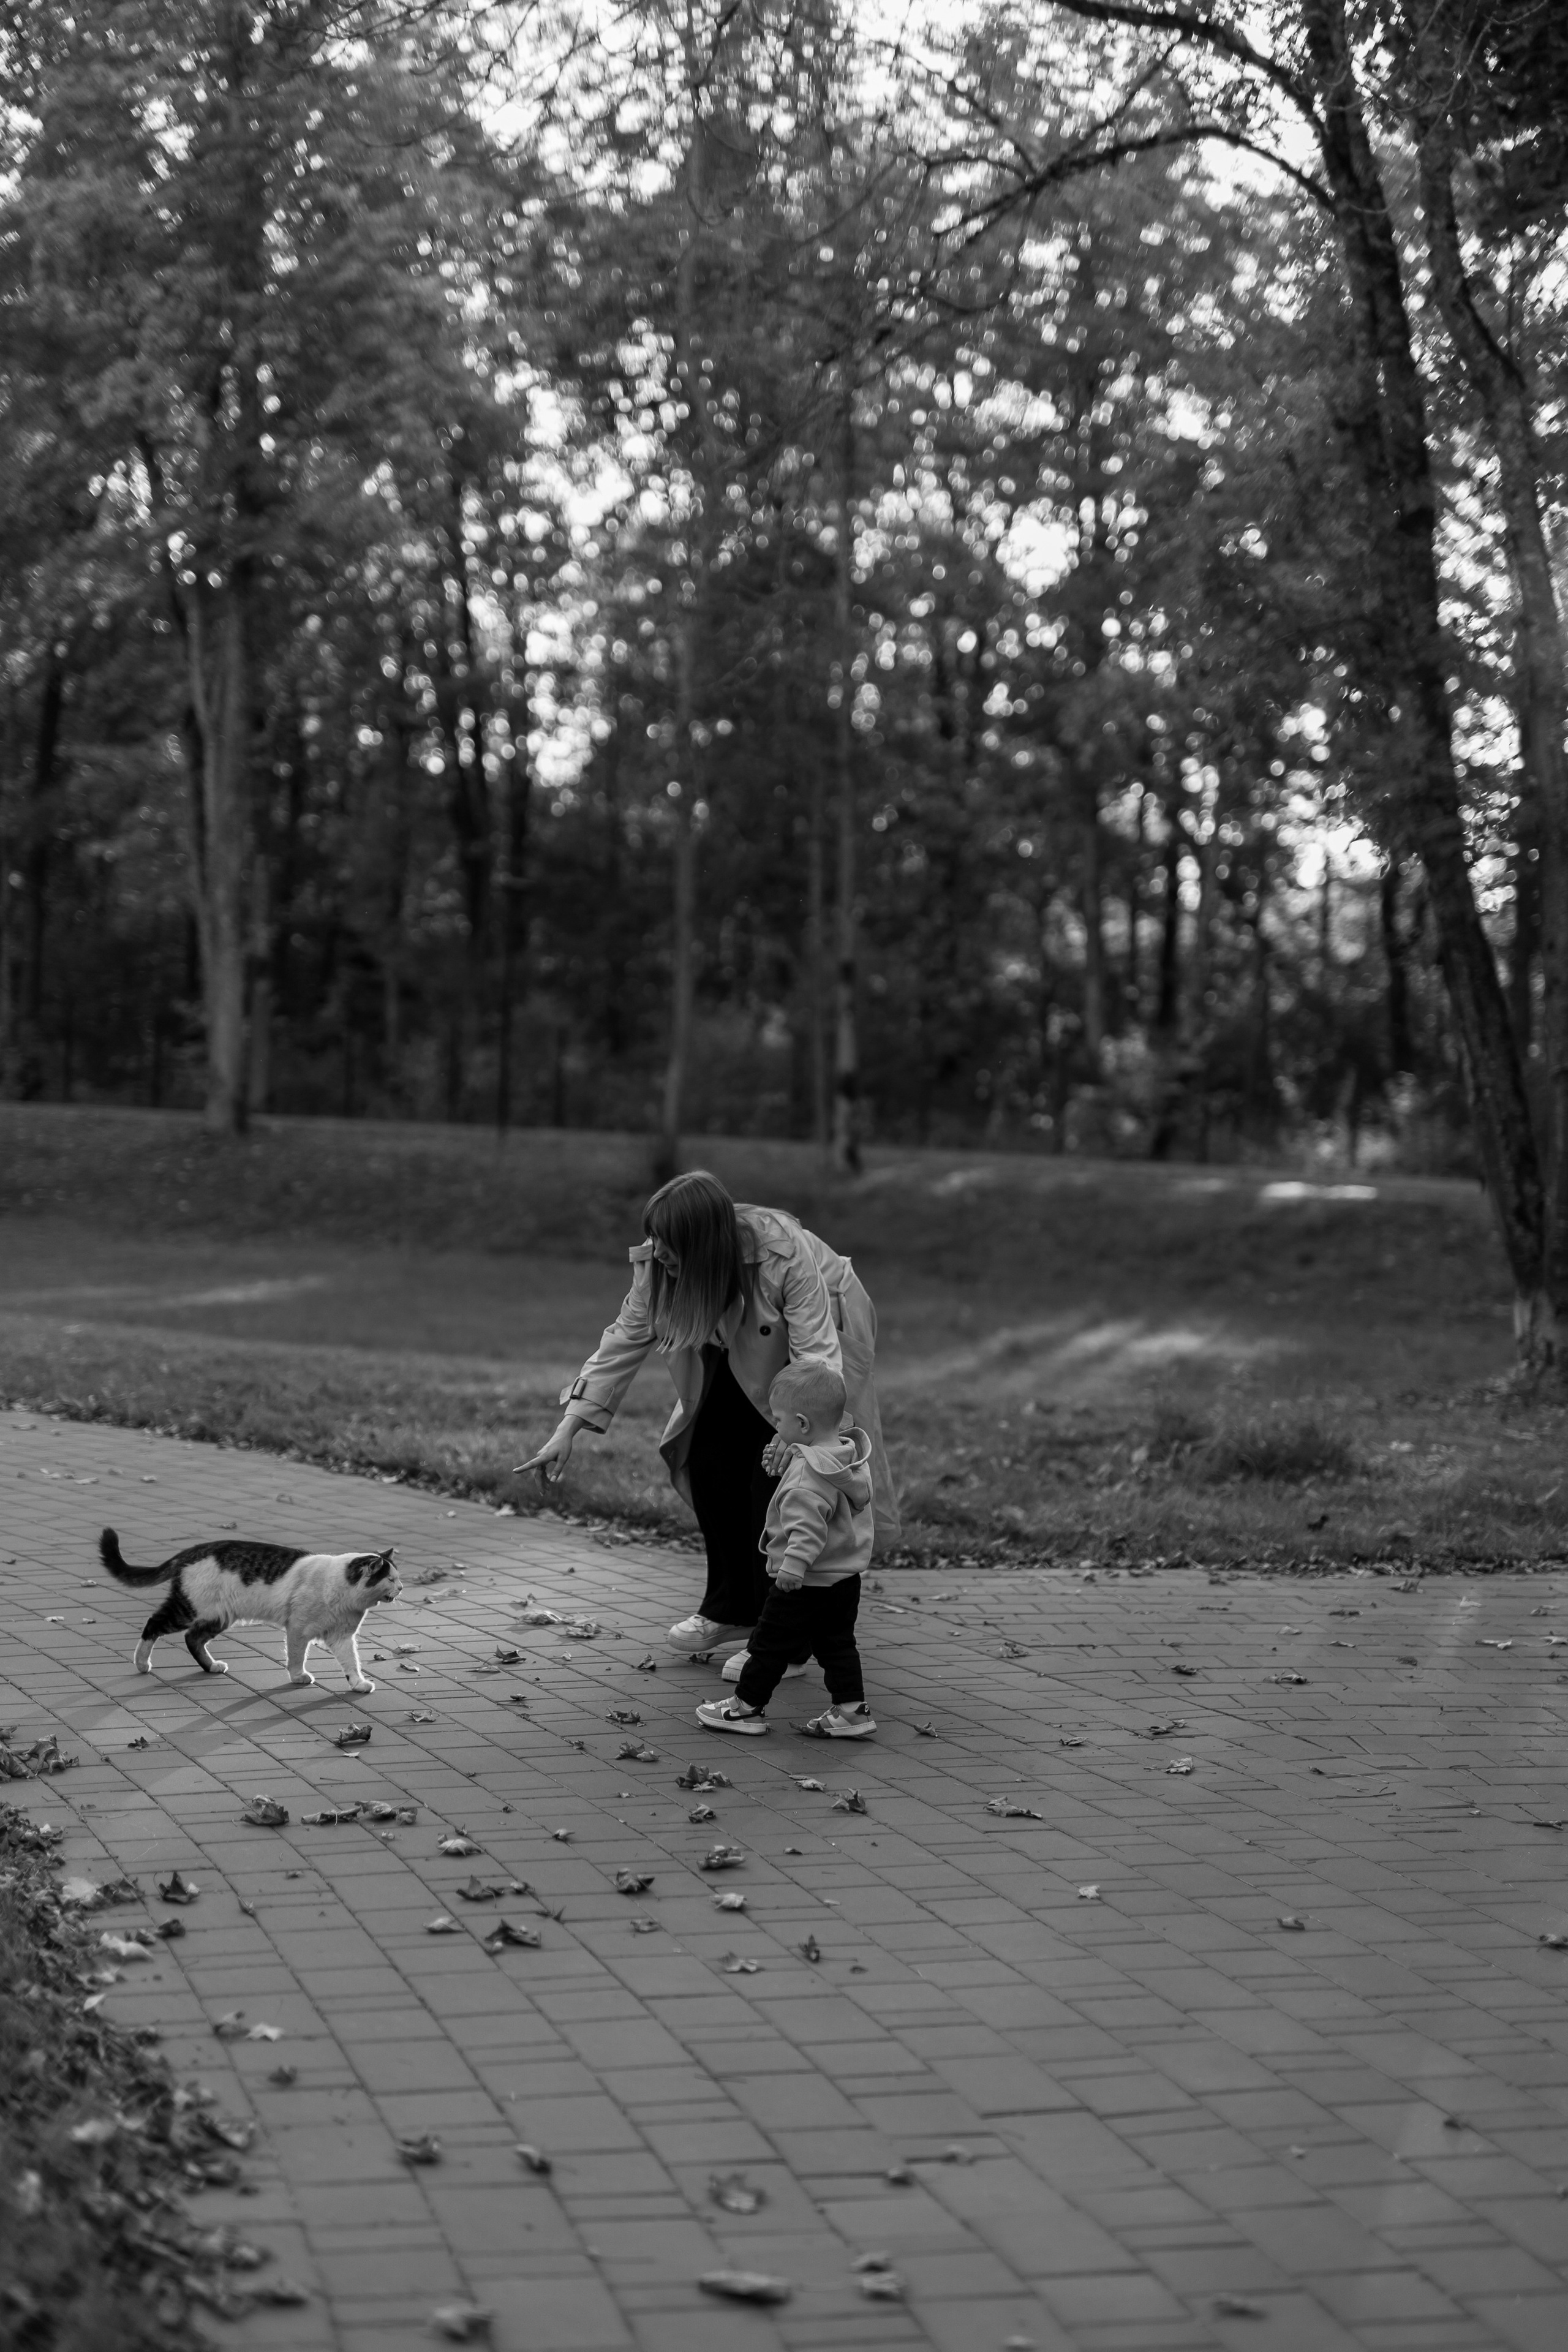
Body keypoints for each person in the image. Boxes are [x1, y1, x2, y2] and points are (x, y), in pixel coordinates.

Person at [516, 1170, 897, 1668]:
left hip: (823, 1329)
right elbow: (622, 1341)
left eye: (669, 1244)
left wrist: (804, 1428)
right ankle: (733, 1610)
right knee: (709, 1458)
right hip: (727, 1330)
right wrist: (567, 1428)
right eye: (654, 1238)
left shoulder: (782, 1253)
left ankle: (782, 1634)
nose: (657, 1251)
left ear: (702, 1243)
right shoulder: (661, 1263)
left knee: (784, 1477)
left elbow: (817, 1353)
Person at [695, 1360, 875, 1740]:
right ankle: (851, 1711)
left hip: (804, 1580)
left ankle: (745, 1708)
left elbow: (806, 1528)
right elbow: (829, 1503)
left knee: (768, 1646)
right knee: (837, 1645)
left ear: (803, 1424)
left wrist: (792, 1568)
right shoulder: (844, 1455)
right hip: (843, 1578)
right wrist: (791, 1464)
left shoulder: (807, 1479)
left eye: (779, 1420)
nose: (776, 1428)